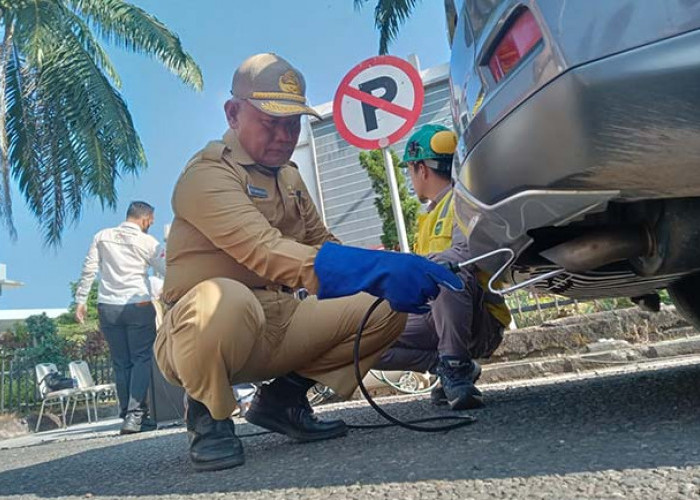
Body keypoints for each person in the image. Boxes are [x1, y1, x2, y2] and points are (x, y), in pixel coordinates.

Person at [155, 53, 463, 472]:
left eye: (292, 123)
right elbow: (263, 249)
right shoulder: (206, 176)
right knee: (224, 299)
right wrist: (368, 270)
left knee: (383, 304)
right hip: (208, 330)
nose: (284, 135)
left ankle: (282, 401)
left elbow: (322, 242)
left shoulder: (290, 178)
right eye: (270, 121)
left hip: (281, 318)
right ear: (233, 113)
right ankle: (208, 416)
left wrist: (382, 264)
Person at [375, 124, 512, 410]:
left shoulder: (464, 201)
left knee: (444, 272)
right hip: (438, 314)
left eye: (410, 171)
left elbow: (466, 255)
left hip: (480, 317)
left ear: (421, 169)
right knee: (366, 338)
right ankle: (445, 367)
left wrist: (412, 266)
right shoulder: (430, 214)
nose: (411, 178)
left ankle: (455, 364)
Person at [75, 201, 165, 434]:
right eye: (151, 221)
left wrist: (81, 300)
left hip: (108, 306)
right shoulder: (148, 242)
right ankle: (136, 416)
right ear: (145, 219)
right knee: (141, 359)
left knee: (121, 362)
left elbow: (88, 268)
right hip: (138, 303)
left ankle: (128, 414)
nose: (151, 225)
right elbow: (166, 268)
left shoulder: (102, 236)